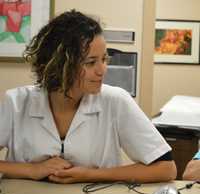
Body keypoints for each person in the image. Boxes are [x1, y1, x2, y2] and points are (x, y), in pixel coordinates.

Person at [0, 9, 177, 184]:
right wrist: (32, 170)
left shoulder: (116, 101)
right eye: (91, 62)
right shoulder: (16, 102)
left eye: (104, 59)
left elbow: (166, 168)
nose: (102, 70)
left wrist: (90, 175)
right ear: (60, 65)